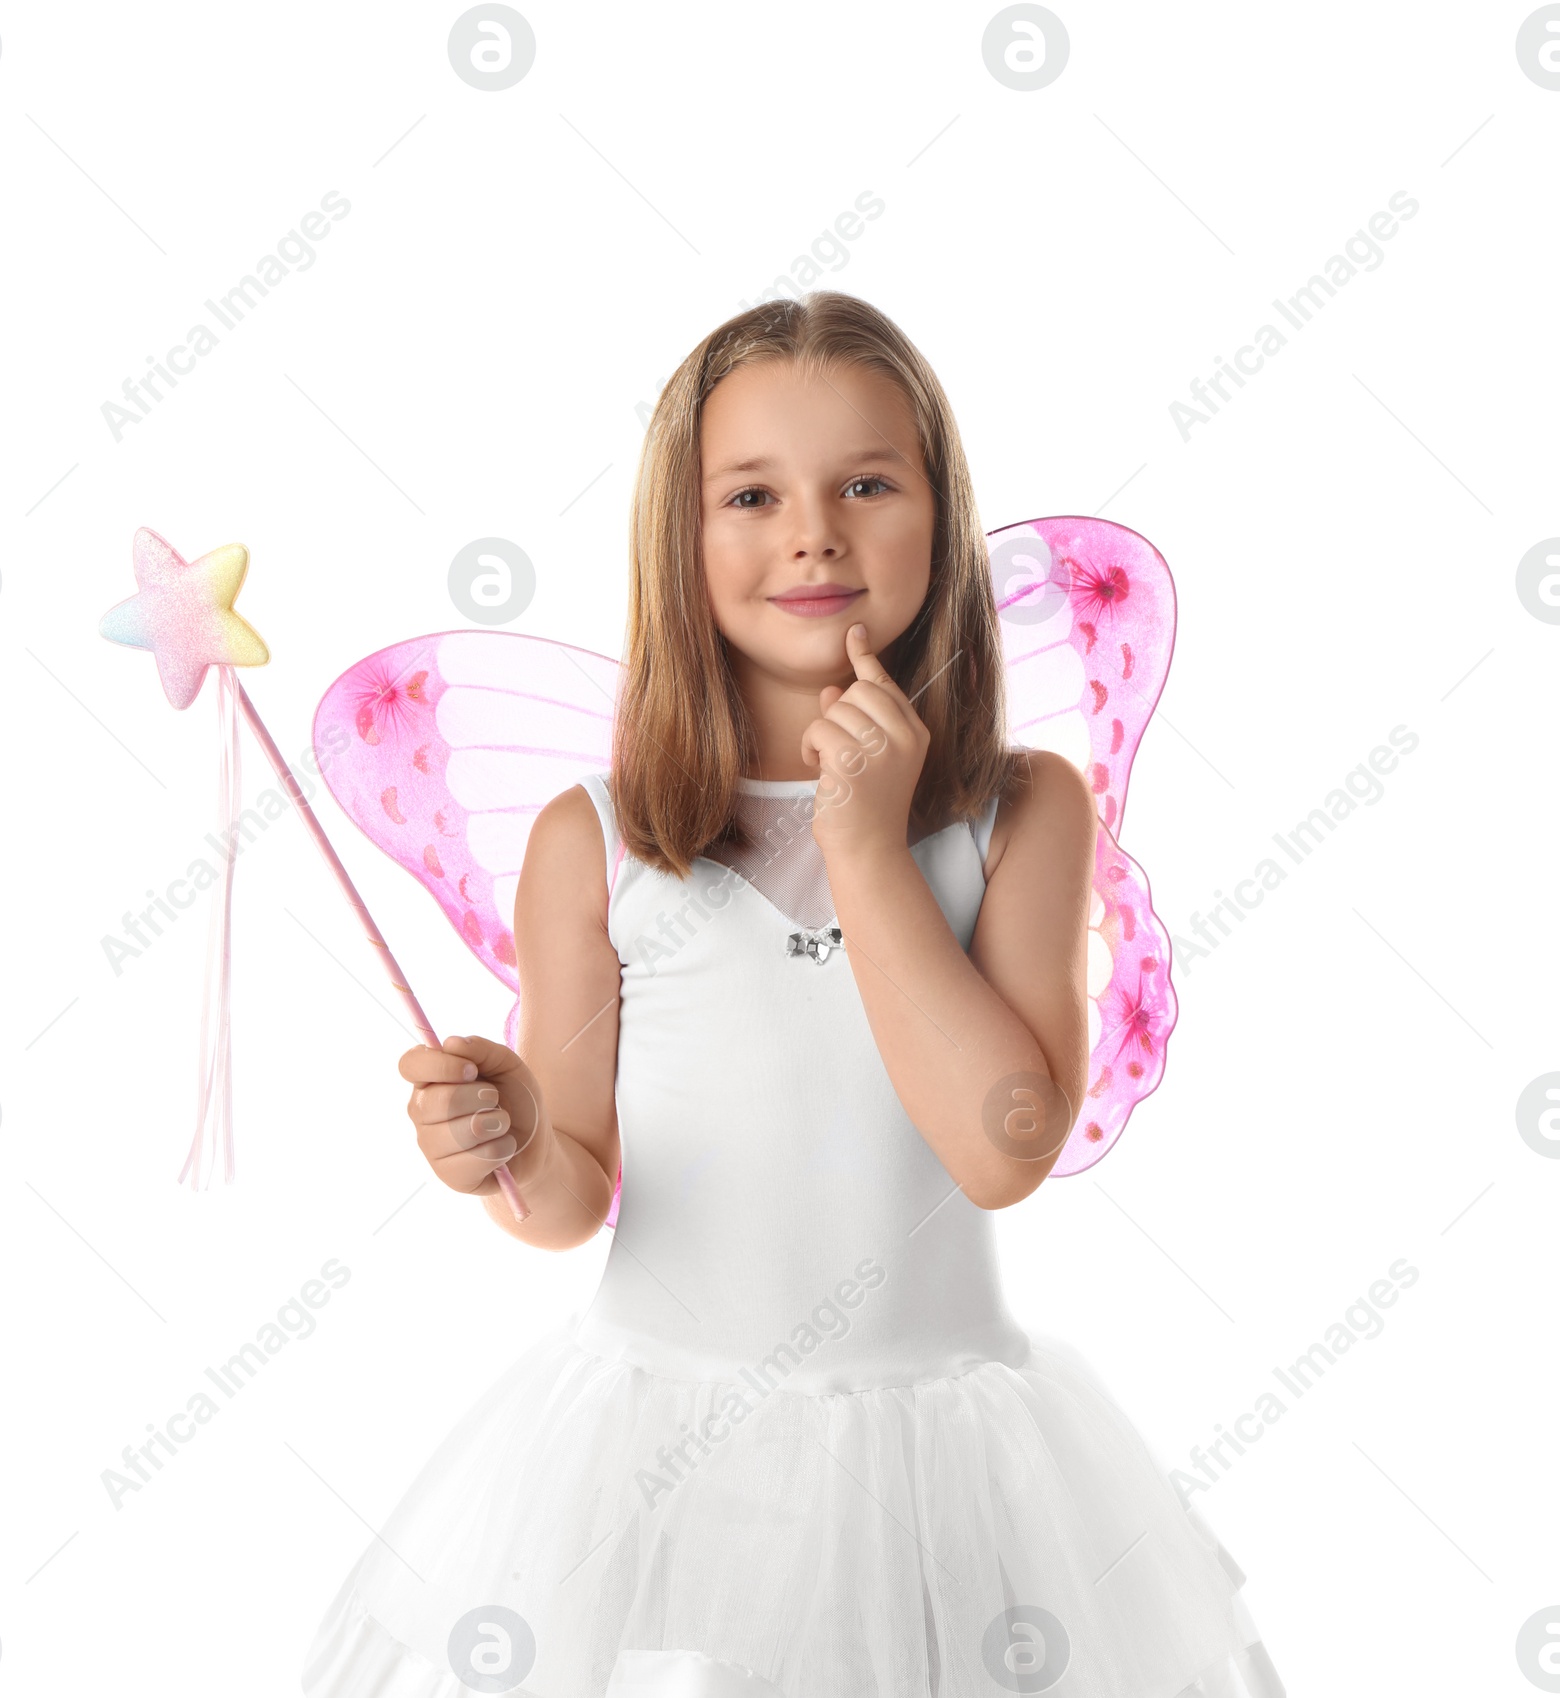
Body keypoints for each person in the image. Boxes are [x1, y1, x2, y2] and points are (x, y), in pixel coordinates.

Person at [302, 291, 1284, 1696]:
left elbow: (1004, 1148)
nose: (813, 532)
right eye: (752, 493)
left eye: (867, 484)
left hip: (943, 1469)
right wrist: (512, 1141)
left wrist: (866, 847)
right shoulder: (600, 839)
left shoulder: (1019, 813)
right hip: (666, 1454)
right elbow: (575, 1190)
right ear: (681, 540)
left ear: (937, 520)